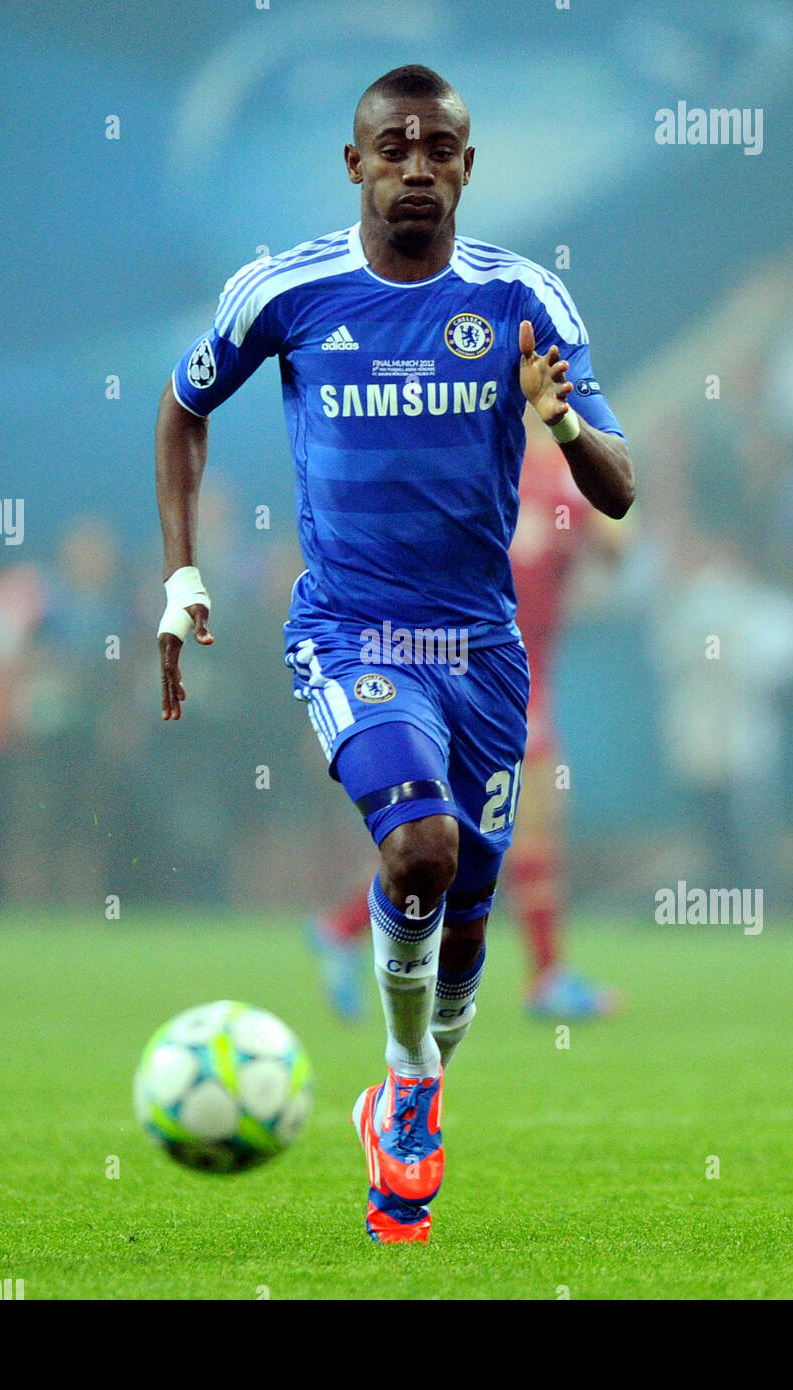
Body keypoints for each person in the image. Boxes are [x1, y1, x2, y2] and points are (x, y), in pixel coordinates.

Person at [154, 65, 634, 1243]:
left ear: (467, 167)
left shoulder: (525, 300)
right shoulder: (287, 289)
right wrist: (182, 572)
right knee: (415, 847)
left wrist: (558, 419)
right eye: (393, 147)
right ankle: (407, 1085)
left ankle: (412, 1079)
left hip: (480, 648)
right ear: (356, 164)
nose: (415, 166)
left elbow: (617, 491)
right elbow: (182, 410)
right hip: (350, 631)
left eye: (438, 149)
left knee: (464, 918)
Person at [308, 405, 626, 1020]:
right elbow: (618, 543)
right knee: (501, 829)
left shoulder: (474, 466)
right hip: (493, 675)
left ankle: (342, 929)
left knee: (482, 834)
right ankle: (544, 976)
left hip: (479, 669)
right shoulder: (554, 473)